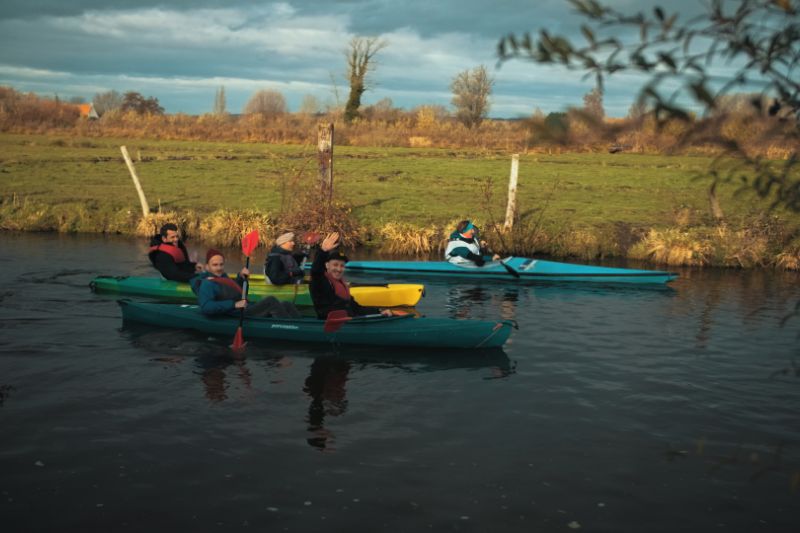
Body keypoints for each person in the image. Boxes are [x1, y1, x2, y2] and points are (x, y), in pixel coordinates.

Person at [190, 248, 301, 318]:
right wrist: (234, 304)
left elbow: (240, 294)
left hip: (245, 308)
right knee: (271, 301)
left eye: (221, 264)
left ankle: (298, 324)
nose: (219, 268)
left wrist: (241, 279)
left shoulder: (223, 276)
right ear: (207, 266)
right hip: (237, 313)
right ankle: (287, 327)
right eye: (215, 265)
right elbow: (206, 307)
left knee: (286, 304)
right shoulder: (207, 284)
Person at [309, 232, 393, 319]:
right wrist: (323, 251)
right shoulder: (319, 280)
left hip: (349, 321)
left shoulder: (341, 284)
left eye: (342, 266)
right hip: (331, 324)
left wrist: (379, 311)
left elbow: (357, 308)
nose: (339, 269)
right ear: (327, 265)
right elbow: (316, 270)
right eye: (335, 265)